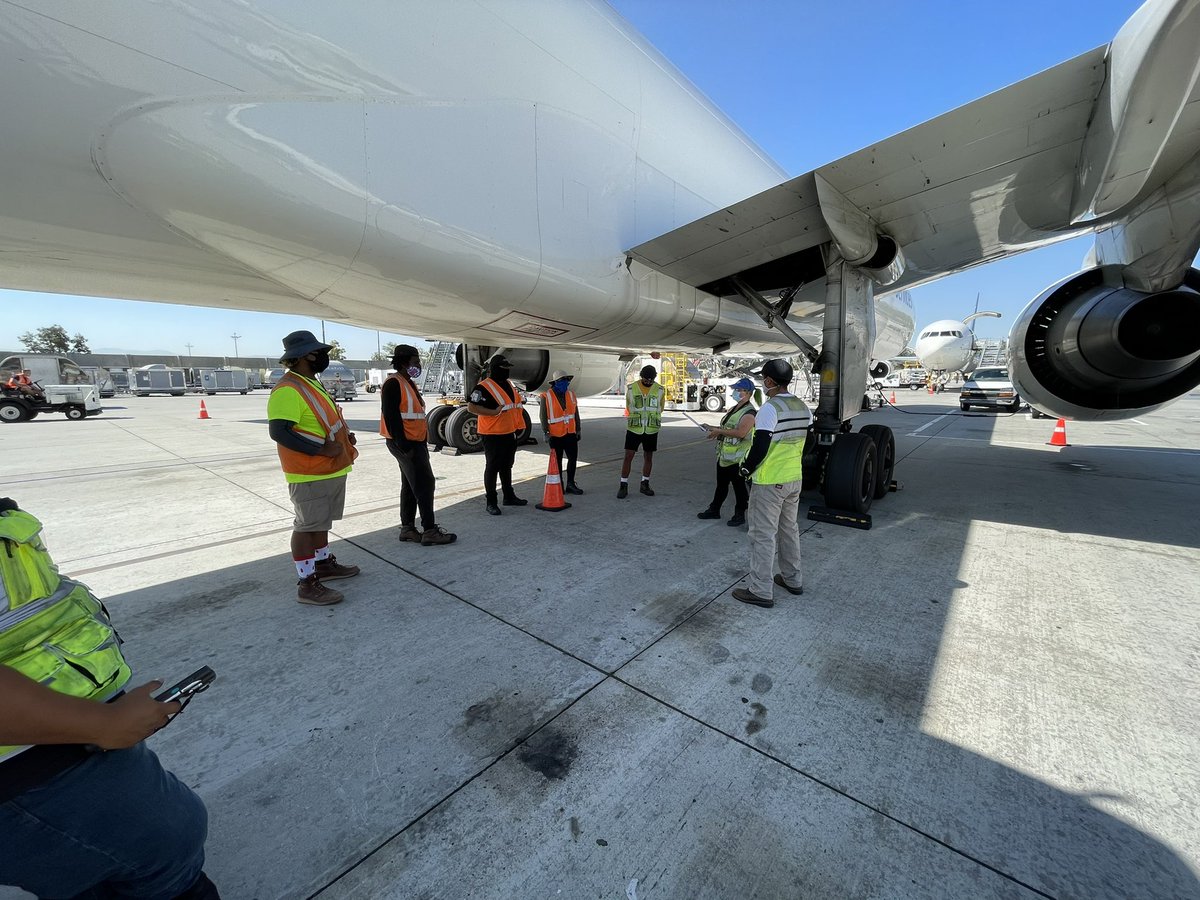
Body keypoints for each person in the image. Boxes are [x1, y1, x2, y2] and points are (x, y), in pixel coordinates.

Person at [0, 499, 220, 899]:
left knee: (95, 874)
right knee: (165, 848)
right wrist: (101, 725)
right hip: (30, 770)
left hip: (55, 738)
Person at [267, 330, 361, 606]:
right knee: (306, 527)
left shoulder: (309, 383)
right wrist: (321, 449)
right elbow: (280, 432)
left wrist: (344, 438)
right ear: (305, 356)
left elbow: (318, 422)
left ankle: (322, 565)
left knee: (320, 523)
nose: (323, 357)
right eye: (319, 353)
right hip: (310, 471)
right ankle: (307, 583)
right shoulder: (288, 389)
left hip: (328, 468)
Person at [731, 358, 812, 608]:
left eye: (762, 380)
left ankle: (760, 590)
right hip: (793, 479)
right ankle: (792, 579)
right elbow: (809, 442)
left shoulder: (770, 408)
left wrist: (746, 468)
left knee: (762, 535)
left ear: (768, 381)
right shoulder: (802, 406)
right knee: (789, 530)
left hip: (769, 481)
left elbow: (760, 445)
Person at [380, 344, 456, 545]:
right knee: (425, 484)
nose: (419, 365)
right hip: (406, 443)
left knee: (410, 485)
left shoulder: (408, 382)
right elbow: (391, 416)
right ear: (404, 362)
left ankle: (407, 529)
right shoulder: (394, 383)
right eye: (415, 362)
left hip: (414, 442)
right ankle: (429, 530)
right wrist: (405, 446)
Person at [467, 354, 527, 515]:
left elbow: (514, 406)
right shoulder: (483, 387)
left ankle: (508, 496)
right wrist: (493, 412)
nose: (506, 371)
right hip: (492, 434)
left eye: (508, 369)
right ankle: (491, 502)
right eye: (504, 368)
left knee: (507, 466)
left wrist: (518, 426)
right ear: (495, 369)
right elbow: (471, 407)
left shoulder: (508, 384)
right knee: (492, 468)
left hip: (509, 432)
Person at [697, 377, 757, 526]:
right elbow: (727, 428)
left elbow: (741, 433)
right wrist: (712, 427)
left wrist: (718, 431)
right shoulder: (735, 408)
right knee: (721, 485)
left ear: (747, 392)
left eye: (738, 390)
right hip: (725, 455)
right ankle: (714, 509)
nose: (735, 392)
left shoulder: (749, 413)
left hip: (737, 458)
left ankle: (739, 514)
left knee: (739, 487)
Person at [619, 364, 664, 498]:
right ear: (641, 377)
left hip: (651, 429)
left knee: (648, 457)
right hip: (634, 428)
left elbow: (661, 407)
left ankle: (645, 484)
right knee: (628, 456)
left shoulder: (660, 389)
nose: (648, 382)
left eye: (651, 380)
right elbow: (628, 405)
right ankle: (623, 485)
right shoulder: (632, 388)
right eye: (646, 379)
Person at [538, 369, 584, 495]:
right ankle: (559, 484)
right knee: (557, 461)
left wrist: (578, 429)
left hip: (570, 432)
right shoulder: (546, 396)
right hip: (555, 434)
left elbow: (575, 413)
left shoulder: (571, 395)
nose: (566, 383)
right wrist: (545, 432)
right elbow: (543, 415)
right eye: (563, 380)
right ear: (555, 382)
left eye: (567, 380)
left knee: (572, 459)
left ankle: (570, 483)